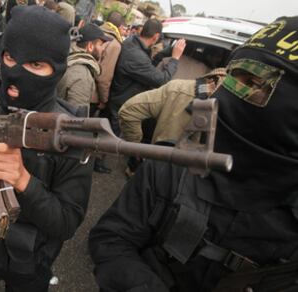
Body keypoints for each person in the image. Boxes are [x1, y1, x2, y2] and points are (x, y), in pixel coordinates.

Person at [89, 16, 298, 292]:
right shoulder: (169, 167)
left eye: (255, 85)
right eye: (237, 76)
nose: (233, 92)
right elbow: (110, 240)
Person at [0, 6, 93, 291]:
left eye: (35, 65)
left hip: (30, 259)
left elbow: (67, 222)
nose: (16, 72)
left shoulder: (72, 134)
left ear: (57, 70)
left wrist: (24, 181)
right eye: (10, 57)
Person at [119, 68, 226, 177]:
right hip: (176, 180)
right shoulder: (182, 90)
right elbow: (129, 112)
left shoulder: (181, 88)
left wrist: (136, 149)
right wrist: (137, 150)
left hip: (154, 174)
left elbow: (128, 111)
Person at [109, 18, 186, 137]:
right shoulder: (136, 55)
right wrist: (175, 59)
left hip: (121, 98)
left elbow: (149, 63)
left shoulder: (132, 42)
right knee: (114, 144)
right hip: (122, 106)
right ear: (155, 37)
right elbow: (162, 80)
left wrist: (168, 51)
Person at [93, 10, 125, 174]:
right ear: (120, 26)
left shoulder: (96, 30)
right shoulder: (115, 44)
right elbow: (104, 76)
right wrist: (104, 98)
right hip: (94, 93)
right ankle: (91, 162)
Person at [57, 23, 111, 114]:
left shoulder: (69, 57)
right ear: (90, 46)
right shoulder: (82, 75)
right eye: (101, 45)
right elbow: (77, 118)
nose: (103, 49)